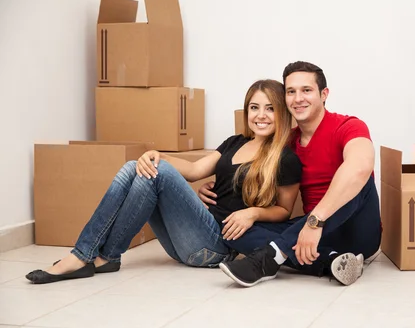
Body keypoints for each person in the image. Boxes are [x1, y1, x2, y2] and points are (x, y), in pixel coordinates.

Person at [26, 79, 302, 284]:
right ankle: (104, 256)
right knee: (137, 166)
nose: (261, 115)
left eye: (270, 109)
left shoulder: (285, 159)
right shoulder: (235, 142)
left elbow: (284, 211)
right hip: (192, 237)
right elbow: (194, 171)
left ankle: (83, 255)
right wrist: (158, 154)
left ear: (282, 113)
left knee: (154, 171)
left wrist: (252, 212)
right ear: (246, 112)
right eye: (254, 107)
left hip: (215, 248)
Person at [200, 61, 381, 287]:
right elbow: (247, 172)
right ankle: (332, 259)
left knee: (357, 181)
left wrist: (315, 222)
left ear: (324, 94)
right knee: (235, 224)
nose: (298, 99)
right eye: (291, 92)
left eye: (306, 90)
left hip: (356, 230)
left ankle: (270, 257)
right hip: (309, 234)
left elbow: (360, 167)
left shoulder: (348, 126)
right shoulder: (285, 143)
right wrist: (216, 186)